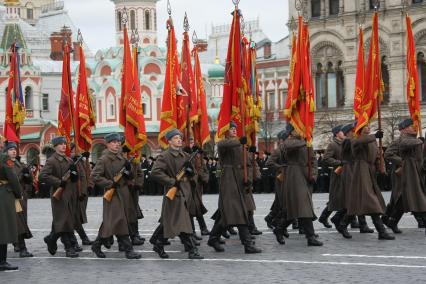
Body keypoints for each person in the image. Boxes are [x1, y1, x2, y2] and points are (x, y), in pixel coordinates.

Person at [207, 121, 261, 254]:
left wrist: (250, 153)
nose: (234, 130)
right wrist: (240, 142)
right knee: (238, 211)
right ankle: (247, 244)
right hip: (229, 179)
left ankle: (213, 238)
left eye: (235, 129)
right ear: (225, 130)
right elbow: (223, 144)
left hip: (239, 180)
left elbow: (244, 160)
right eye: (231, 129)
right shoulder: (223, 142)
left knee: (229, 213)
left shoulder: (238, 143)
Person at [149, 129, 203, 259]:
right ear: (169, 141)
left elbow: (194, 174)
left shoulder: (185, 155)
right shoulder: (165, 156)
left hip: (185, 192)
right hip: (174, 193)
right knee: (183, 223)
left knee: (170, 221)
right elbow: (155, 172)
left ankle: (158, 243)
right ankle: (192, 251)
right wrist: (171, 181)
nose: (179, 140)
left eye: (180, 138)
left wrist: (191, 174)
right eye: (176, 138)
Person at [90, 133, 142, 259]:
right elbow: (95, 176)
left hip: (123, 193)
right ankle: (128, 250)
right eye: (114, 142)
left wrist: (129, 175)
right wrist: (110, 183)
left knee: (113, 221)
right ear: (107, 144)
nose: (117, 144)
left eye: (118, 142)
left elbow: (127, 175)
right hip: (112, 194)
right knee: (119, 220)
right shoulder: (104, 159)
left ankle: (97, 244)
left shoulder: (121, 157)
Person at [342, 125, 394, 240]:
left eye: (369, 126)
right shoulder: (356, 139)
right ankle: (381, 231)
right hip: (361, 170)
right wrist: (374, 136)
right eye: (365, 126)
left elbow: (377, 156)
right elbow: (358, 141)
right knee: (372, 201)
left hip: (370, 171)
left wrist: (381, 168)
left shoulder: (371, 140)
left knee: (358, 202)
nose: (368, 128)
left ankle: (343, 224)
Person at [39, 136, 81, 257]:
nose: (63, 146)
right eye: (61, 144)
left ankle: (51, 239)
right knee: (64, 221)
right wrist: (58, 182)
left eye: (64, 144)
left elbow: (74, 178)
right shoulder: (52, 160)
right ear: (56, 146)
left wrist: (74, 174)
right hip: (59, 195)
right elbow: (42, 176)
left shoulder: (69, 160)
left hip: (70, 194)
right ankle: (69, 247)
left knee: (67, 220)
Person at [282, 124, 323, 246]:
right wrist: (306, 141)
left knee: (299, 208)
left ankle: (279, 228)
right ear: (291, 132)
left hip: (306, 178)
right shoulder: (290, 142)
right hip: (295, 176)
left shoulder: (306, 143)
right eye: (296, 128)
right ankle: (310, 237)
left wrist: (314, 175)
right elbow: (288, 146)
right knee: (303, 207)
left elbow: (313, 161)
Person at [384, 118, 426, 235]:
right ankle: (389, 219)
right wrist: (402, 162)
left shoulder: (414, 139)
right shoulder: (400, 141)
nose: (414, 127)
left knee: (404, 199)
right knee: (409, 197)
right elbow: (388, 154)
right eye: (412, 126)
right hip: (404, 173)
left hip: (415, 172)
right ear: (405, 128)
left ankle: (391, 221)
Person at [6, 142, 34, 257]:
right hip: (10, 197)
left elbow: (29, 181)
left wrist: (28, 175)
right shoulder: (5, 164)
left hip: (20, 197)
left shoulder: (20, 164)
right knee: (18, 222)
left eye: (14, 149)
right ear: (6, 152)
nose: (13, 151)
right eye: (10, 149)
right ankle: (22, 248)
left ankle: (17, 244)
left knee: (19, 222)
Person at [0, 144, 23, 271]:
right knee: (3, 228)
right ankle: (2, 261)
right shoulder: (4, 158)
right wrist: (18, 193)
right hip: (3, 194)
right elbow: (13, 177)